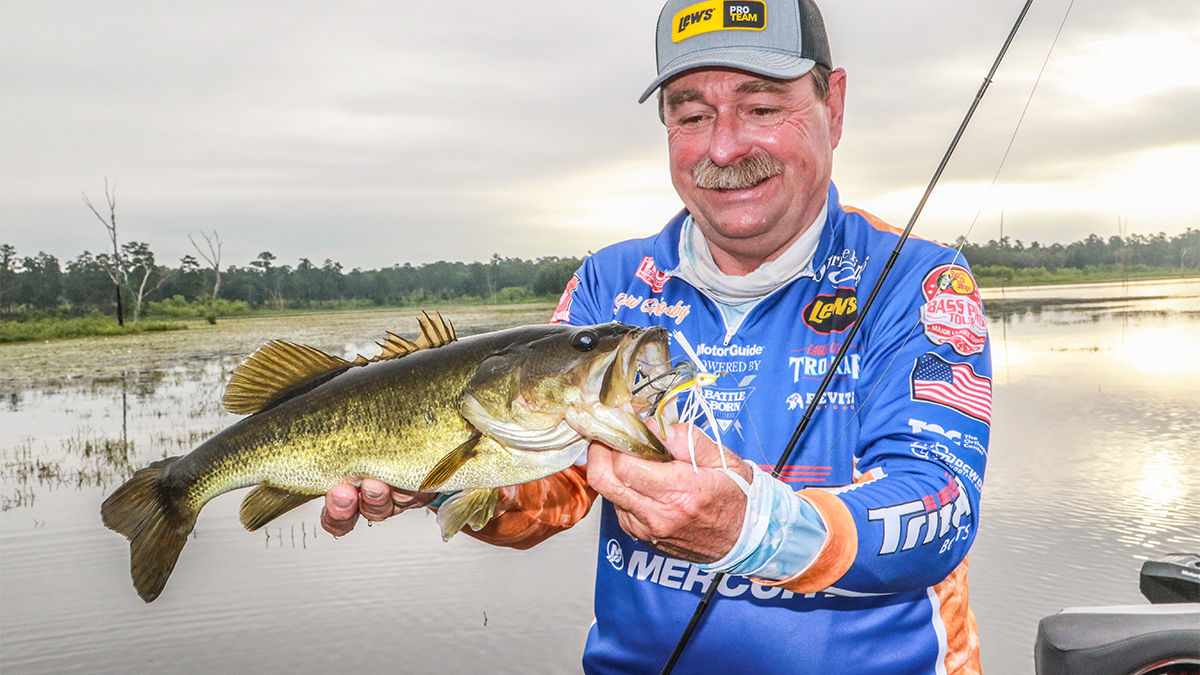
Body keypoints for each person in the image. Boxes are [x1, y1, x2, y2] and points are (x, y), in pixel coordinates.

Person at [323, 1, 991, 673]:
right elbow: (553, 494)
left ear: (834, 106)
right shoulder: (609, 285)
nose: (723, 147)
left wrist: (755, 528)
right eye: (691, 115)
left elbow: (939, 507)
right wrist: (438, 478)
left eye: (761, 108)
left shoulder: (919, 282)